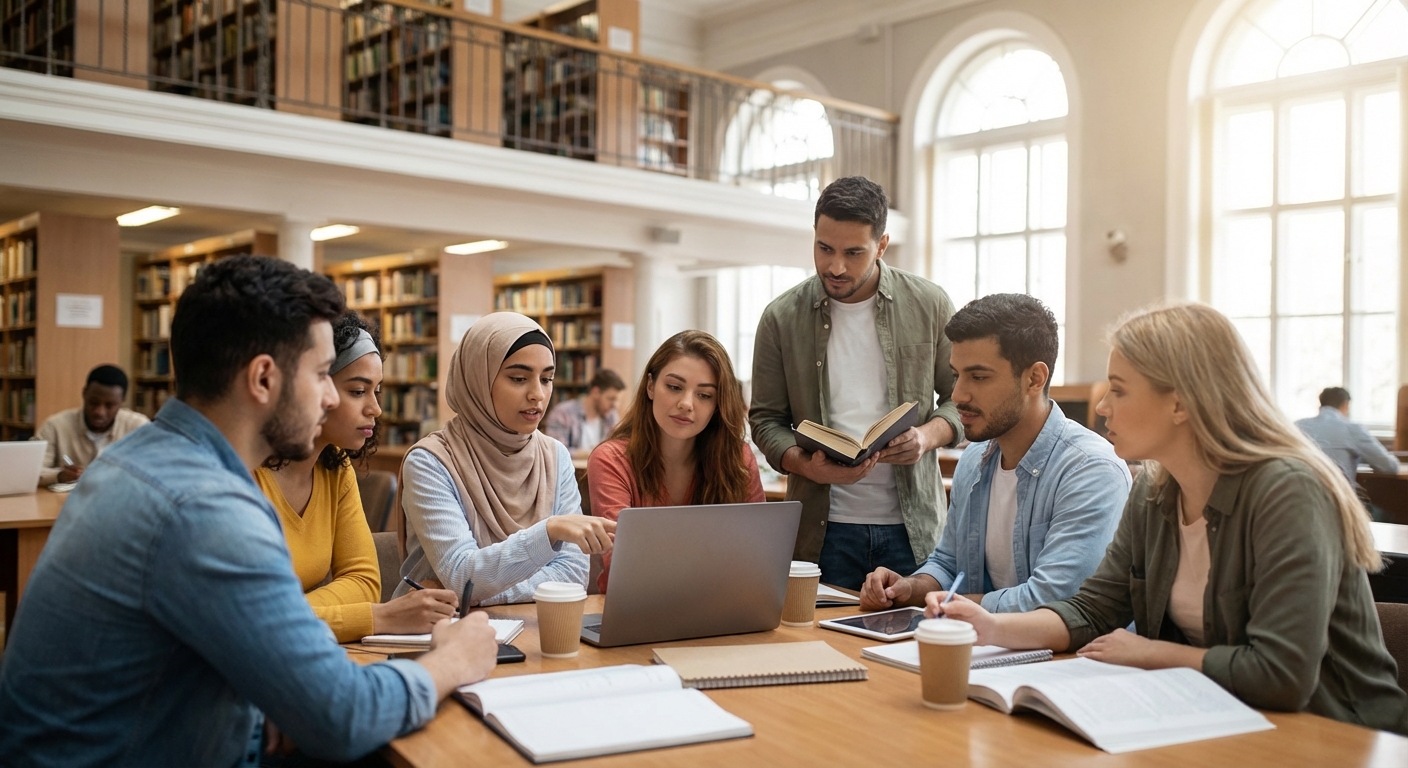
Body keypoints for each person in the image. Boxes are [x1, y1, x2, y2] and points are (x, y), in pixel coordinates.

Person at [0, 256, 498, 767]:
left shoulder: (138, 459)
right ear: (263, 378)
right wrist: (452, 660)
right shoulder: (205, 507)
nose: (330, 399)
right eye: (324, 374)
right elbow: (340, 714)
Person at [932, 303, 1408, 734]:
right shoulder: (1155, 490)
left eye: (1118, 390)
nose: (1101, 407)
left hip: (1338, 732)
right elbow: (1093, 610)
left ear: (1180, 402)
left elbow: (1282, 677)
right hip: (1214, 718)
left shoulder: (1288, 491)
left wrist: (1153, 653)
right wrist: (988, 626)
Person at [749, 176, 965, 590]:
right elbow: (765, 420)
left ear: (881, 245)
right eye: (824, 248)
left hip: (913, 528)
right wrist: (805, 464)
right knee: (820, 652)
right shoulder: (781, 318)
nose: (836, 267)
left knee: (907, 650)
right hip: (821, 532)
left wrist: (925, 437)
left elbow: (959, 399)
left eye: (854, 252)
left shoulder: (929, 304)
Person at [860, 294, 1130, 613]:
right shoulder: (975, 460)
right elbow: (948, 565)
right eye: (956, 374)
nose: (958, 394)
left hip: (1068, 658)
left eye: (978, 377)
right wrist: (908, 588)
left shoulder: (1091, 470)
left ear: (1034, 378)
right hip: (991, 649)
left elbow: (1056, 599)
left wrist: (952, 606)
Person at [256, 310, 459, 643]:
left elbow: (364, 582)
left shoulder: (335, 469)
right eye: (357, 391)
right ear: (311, 388)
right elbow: (253, 621)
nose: (376, 408)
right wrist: (374, 617)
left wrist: (292, 614)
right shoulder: (247, 474)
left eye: (376, 390)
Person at [395, 312, 613, 606]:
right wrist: (548, 533)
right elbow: (461, 576)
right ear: (478, 380)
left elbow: (572, 575)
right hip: (446, 633)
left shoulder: (555, 456)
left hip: (536, 628)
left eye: (547, 379)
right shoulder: (431, 462)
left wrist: (480, 595)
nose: (538, 394)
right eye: (519, 378)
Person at [588, 331, 765, 592]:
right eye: (674, 387)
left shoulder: (738, 459)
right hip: (634, 609)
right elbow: (623, 566)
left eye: (704, 395)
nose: (686, 404)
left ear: (718, 404)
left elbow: (759, 556)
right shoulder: (611, 460)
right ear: (650, 386)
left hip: (722, 607)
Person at [33, 363, 149, 486]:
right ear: (84, 393)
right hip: (65, 503)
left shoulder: (138, 427)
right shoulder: (55, 426)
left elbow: (155, 471)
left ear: (122, 402)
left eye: (109, 405)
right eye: (93, 402)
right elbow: (30, 470)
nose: (99, 411)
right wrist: (59, 475)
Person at [1296, 386, 1400, 485]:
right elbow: (1389, 466)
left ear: (1321, 404)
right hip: (1338, 499)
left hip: (1298, 497)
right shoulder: (1352, 429)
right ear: (1346, 405)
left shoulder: (1298, 427)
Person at [545, 368, 626, 456]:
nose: (615, 405)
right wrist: (597, 454)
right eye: (611, 399)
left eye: (617, 400)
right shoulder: (562, 413)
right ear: (595, 392)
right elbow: (556, 451)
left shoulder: (611, 416)